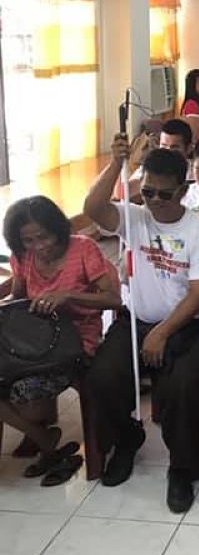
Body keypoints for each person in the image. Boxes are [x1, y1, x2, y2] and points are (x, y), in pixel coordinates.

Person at [84, 142, 199, 513]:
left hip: (186, 327)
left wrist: (162, 332)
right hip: (134, 322)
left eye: (164, 193)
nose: (155, 201)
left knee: (180, 388)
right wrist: (115, 162)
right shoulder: (135, 218)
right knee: (101, 378)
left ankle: (182, 470)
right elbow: (92, 208)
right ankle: (127, 439)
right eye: (147, 192)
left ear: (182, 191)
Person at [1, 196, 121, 484]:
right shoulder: (22, 256)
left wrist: (67, 296)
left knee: (28, 397)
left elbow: (113, 300)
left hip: (75, 341)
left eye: (44, 236)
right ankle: (43, 437)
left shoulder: (83, 249)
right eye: (28, 240)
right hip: (33, 342)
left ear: (57, 228)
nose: (38, 246)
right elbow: (18, 298)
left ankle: (41, 436)